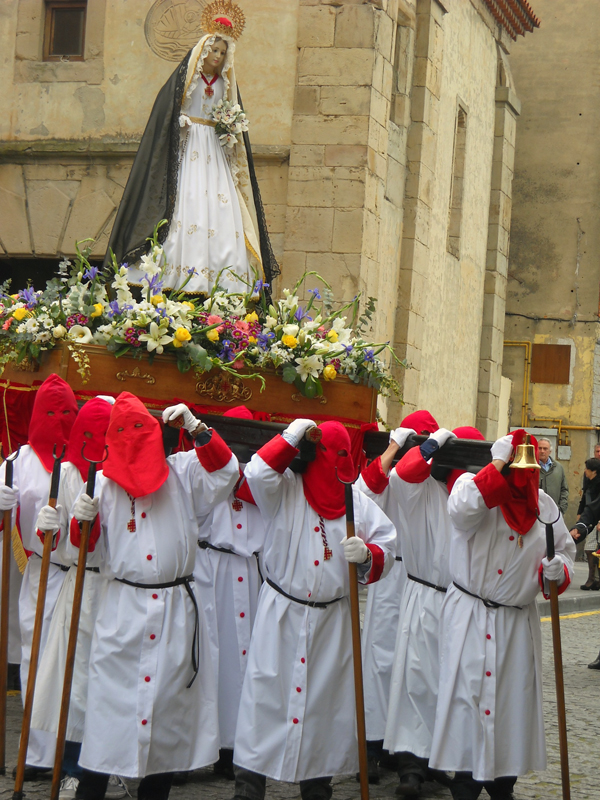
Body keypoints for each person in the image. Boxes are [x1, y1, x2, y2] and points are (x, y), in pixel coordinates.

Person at [68, 394, 239, 800]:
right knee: (109, 710)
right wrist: (81, 523)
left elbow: (226, 472)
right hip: (122, 610)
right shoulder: (101, 485)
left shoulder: (183, 472)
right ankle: (90, 790)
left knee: (167, 711)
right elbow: (86, 552)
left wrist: (197, 428)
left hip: (175, 610)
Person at [232, 419, 396, 800]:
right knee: (264, 700)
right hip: (281, 615)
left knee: (324, 708)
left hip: (331, 622)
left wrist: (367, 556)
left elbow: (387, 543)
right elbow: (255, 473)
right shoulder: (286, 488)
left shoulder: (357, 502)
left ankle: (318, 786)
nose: (335, 464)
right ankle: (248, 786)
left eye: (343, 455)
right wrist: (291, 436)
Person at [429, 430, 575, 800]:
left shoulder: (545, 508)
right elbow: (462, 512)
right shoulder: (471, 488)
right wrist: (496, 462)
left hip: (515, 622)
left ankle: (503, 783)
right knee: (466, 699)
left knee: (511, 702)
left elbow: (564, 551)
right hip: (470, 615)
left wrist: (558, 570)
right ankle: (464, 781)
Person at [107, 0, 279, 294]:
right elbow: (169, 110)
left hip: (215, 149)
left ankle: (222, 279)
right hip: (189, 147)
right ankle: (172, 274)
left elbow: (231, 112)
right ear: (204, 49)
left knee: (221, 205)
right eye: (214, 50)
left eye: (223, 52)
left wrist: (230, 126)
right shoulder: (188, 78)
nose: (218, 56)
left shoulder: (225, 84)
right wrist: (181, 121)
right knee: (186, 200)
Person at [28, 396, 128, 800]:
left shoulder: (128, 475)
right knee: (75, 681)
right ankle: (71, 767)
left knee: (112, 679)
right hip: (82, 586)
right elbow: (57, 546)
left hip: (119, 588)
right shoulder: (67, 473)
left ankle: (109, 765)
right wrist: (49, 528)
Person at [383, 423, 486, 798]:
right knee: (417, 681)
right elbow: (401, 474)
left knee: (461, 688)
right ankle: (411, 767)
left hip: (466, 605)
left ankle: (452, 763)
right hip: (425, 596)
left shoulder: (478, 500)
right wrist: (433, 443)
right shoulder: (420, 489)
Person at [0, 373, 78, 776]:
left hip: (79, 572)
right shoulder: (17, 463)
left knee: (72, 660)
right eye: (50, 412)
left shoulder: (86, 457)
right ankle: (35, 752)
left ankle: (73, 754)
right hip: (37, 571)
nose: (58, 420)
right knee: (35, 656)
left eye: (67, 412)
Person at [357, 410, 439, 784]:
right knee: (380, 658)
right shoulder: (387, 472)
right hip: (391, 574)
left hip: (424, 579)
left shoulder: (435, 478)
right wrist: (391, 451)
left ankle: (415, 755)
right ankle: (373, 747)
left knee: (419, 666)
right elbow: (362, 494)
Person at [194, 405, 266, 780]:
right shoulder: (206, 473)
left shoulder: (264, 480)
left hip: (249, 573)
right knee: (208, 656)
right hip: (212, 571)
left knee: (244, 660)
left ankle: (235, 747)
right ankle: (198, 748)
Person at [576, 456, 600, 590]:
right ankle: (593, 579)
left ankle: (594, 580)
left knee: (594, 549)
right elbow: (584, 499)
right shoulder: (589, 482)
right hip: (589, 518)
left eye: (587, 468)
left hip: (596, 520)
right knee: (590, 548)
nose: (585, 471)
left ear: (594, 471)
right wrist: (580, 514)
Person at [537, 438, 568, 515]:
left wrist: (562, 508)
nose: (542, 451)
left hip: (555, 512)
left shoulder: (558, 467)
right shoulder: (531, 467)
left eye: (545, 449)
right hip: (536, 512)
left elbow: (564, 489)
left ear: (550, 451)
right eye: (540, 448)